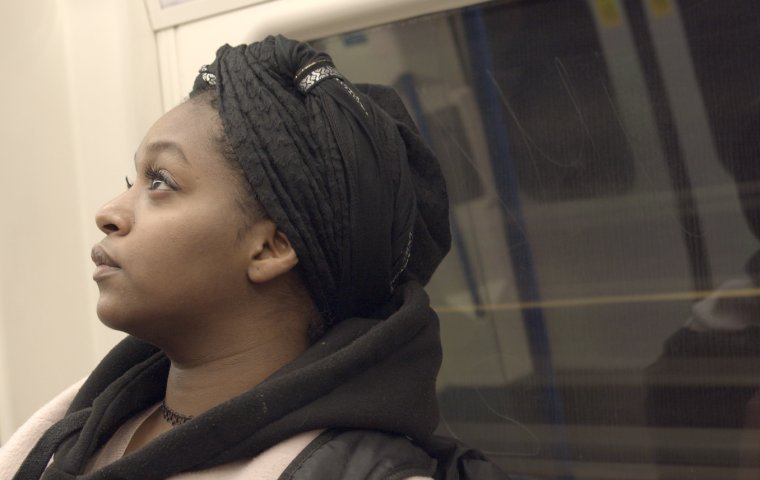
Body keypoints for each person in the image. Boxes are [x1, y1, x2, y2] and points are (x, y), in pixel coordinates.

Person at [0, 35, 508, 479]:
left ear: (271, 247)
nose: (109, 213)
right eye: (131, 181)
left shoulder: (351, 471)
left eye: (160, 182)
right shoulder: (79, 425)